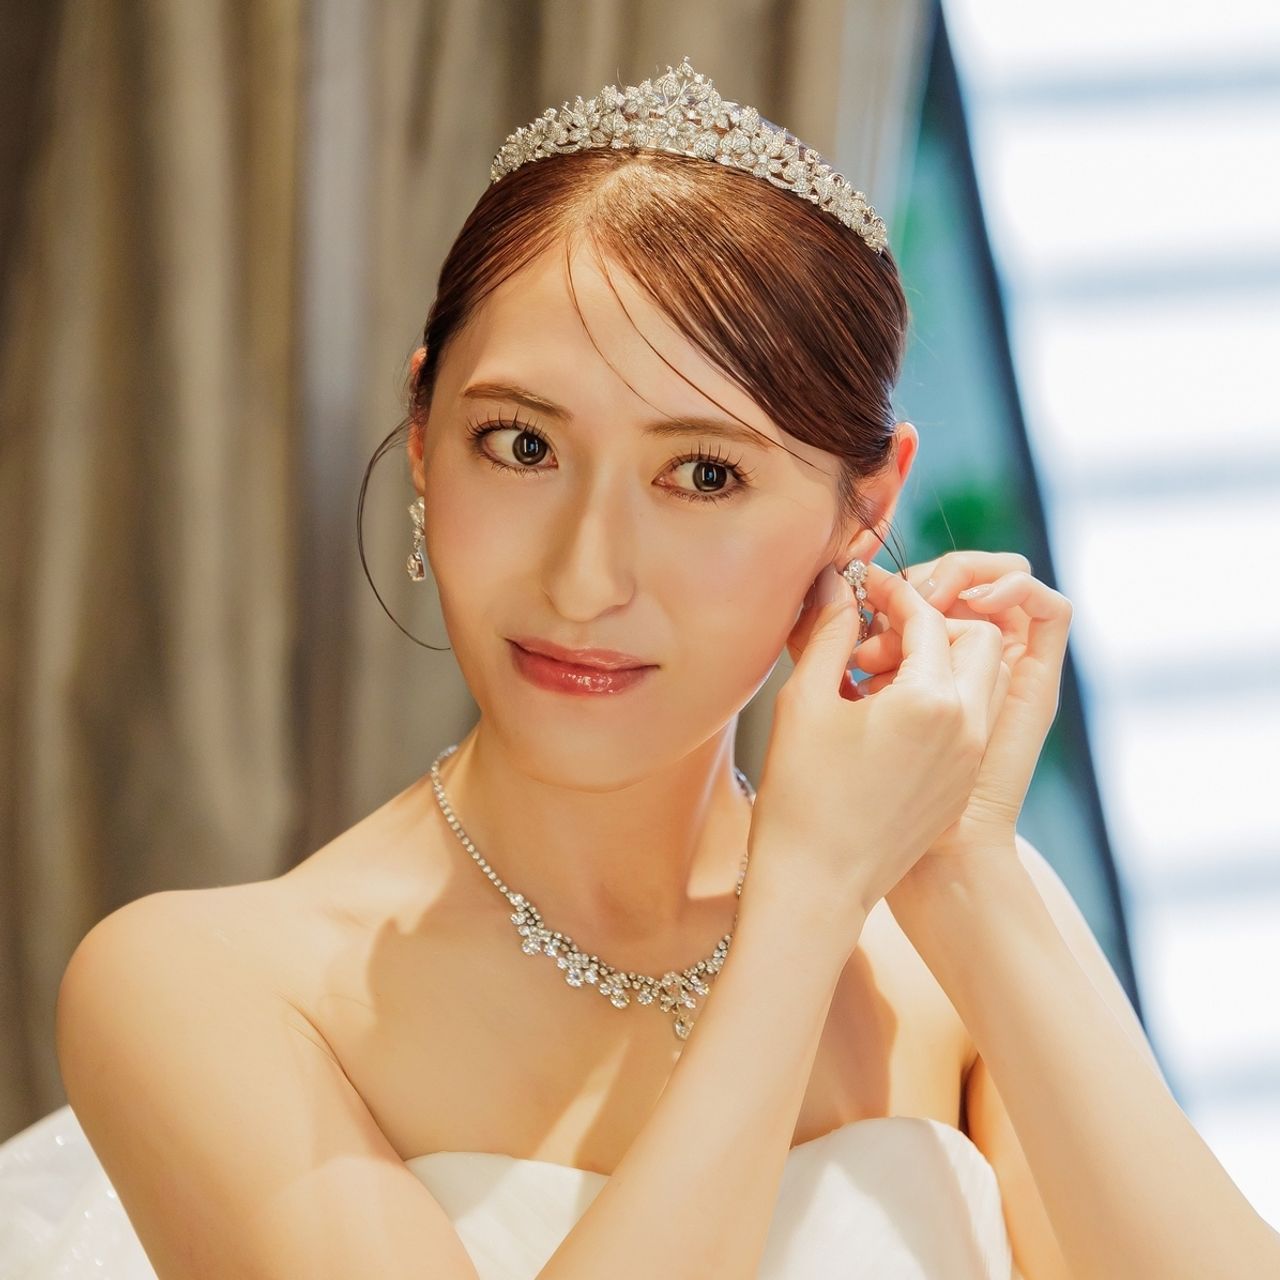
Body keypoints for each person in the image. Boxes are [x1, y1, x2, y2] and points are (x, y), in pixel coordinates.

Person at [5, 55, 1274, 1280]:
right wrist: (804, 906)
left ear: (863, 505)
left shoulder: (949, 931)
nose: (583, 578)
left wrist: (963, 872)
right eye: (520, 444)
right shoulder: (206, 985)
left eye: (702, 473)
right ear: (425, 434)